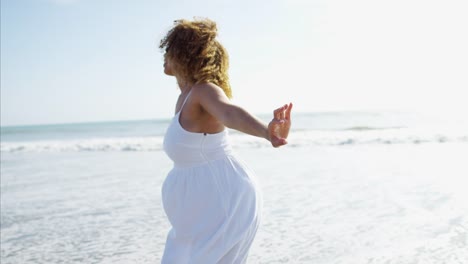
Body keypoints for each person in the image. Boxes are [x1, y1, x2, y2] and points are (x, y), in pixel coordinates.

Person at [159, 18, 293, 263]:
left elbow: (230, 113)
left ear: (183, 53)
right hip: (200, 210)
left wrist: (267, 132)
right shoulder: (185, 97)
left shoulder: (204, 90)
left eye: (169, 48)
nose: (164, 54)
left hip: (223, 198)